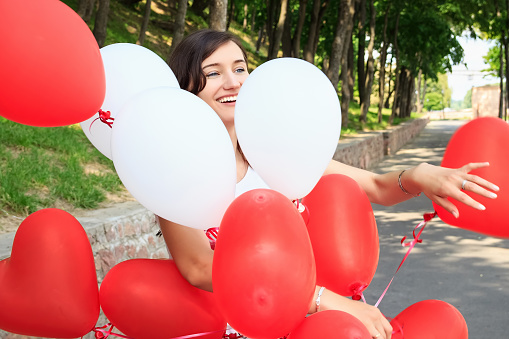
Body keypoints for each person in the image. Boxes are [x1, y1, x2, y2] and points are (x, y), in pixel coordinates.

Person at [159, 29, 499, 339]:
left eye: (240, 68)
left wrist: (418, 175)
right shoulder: (175, 169)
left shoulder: (277, 156)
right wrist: (322, 299)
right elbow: (199, 266)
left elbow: (378, 187)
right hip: (240, 326)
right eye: (213, 73)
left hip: (315, 322)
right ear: (187, 86)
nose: (232, 82)